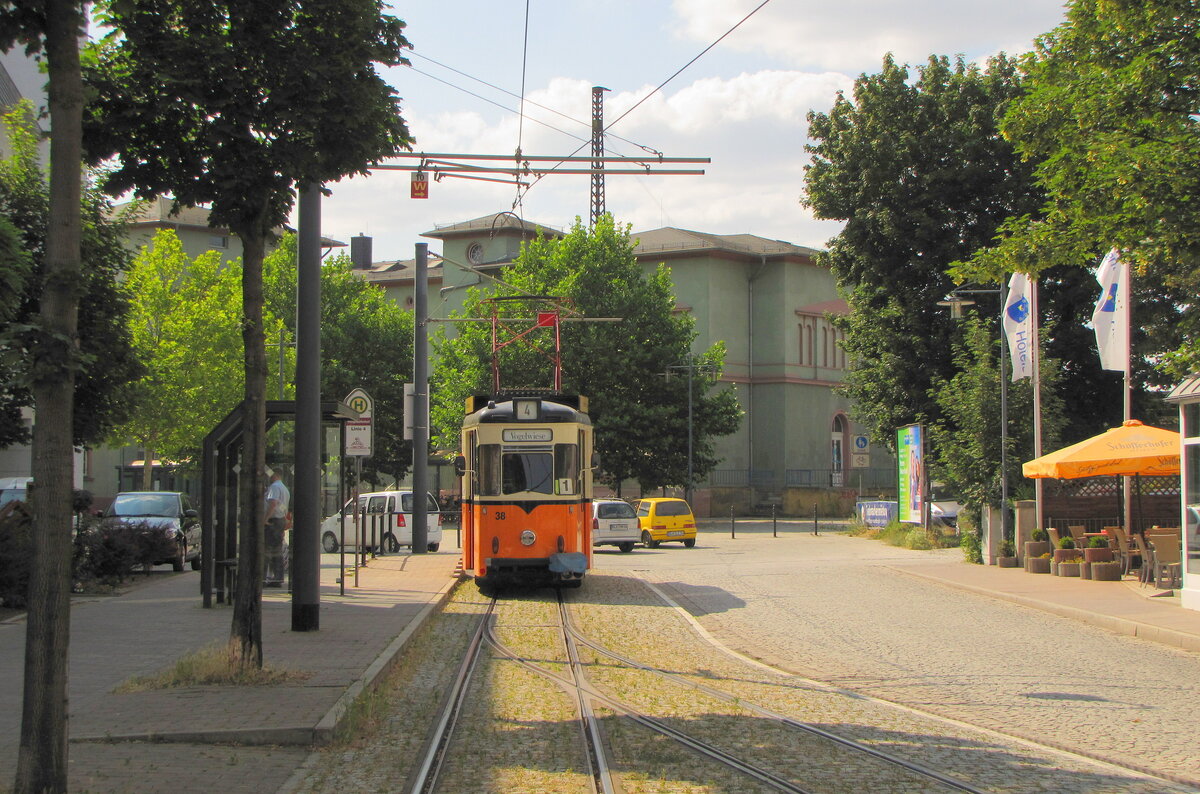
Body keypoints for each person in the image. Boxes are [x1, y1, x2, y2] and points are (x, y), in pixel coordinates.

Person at [264, 465, 290, 587]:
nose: (269, 477)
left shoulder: (274, 487)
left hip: (273, 521)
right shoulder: (284, 488)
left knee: (267, 550)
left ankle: (265, 577)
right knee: (277, 550)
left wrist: (265, 519)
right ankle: (278, 577)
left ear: (275, 475)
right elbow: (283, 507)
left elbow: (273, 503)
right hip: (279, 520)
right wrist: (284, 520)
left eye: (270, 475)